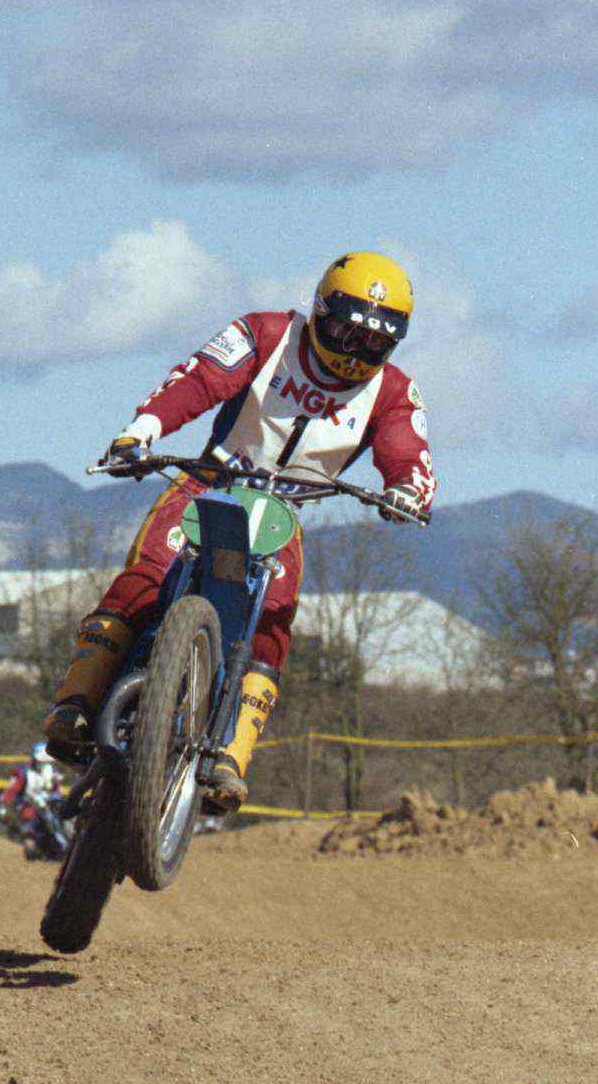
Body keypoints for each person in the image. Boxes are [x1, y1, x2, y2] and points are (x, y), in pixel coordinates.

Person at [43, 251, 436, 812]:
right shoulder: (265, 334)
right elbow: (199, 380)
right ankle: (75, 704)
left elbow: (408, 450)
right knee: (147, 577)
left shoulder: (394, 391)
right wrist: (142, 432)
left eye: (373, 343)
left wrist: (407, 491)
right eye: (345, 333)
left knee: (274, 622)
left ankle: (230, 756)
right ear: (319, 312)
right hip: (208, 482)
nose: (354, 352)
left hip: (282, 516)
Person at [0, 742, 65, 858]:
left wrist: (55, 797)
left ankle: (60, 847)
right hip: (28, 805)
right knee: (29, 830)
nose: (43, 763)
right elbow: (12, 789)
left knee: (60, 822)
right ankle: (31, 850)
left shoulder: (52, 772)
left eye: (46, 761)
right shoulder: (24, 773)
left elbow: (56, 789)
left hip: (48, 804)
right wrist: (3, 803)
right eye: (41, 760)